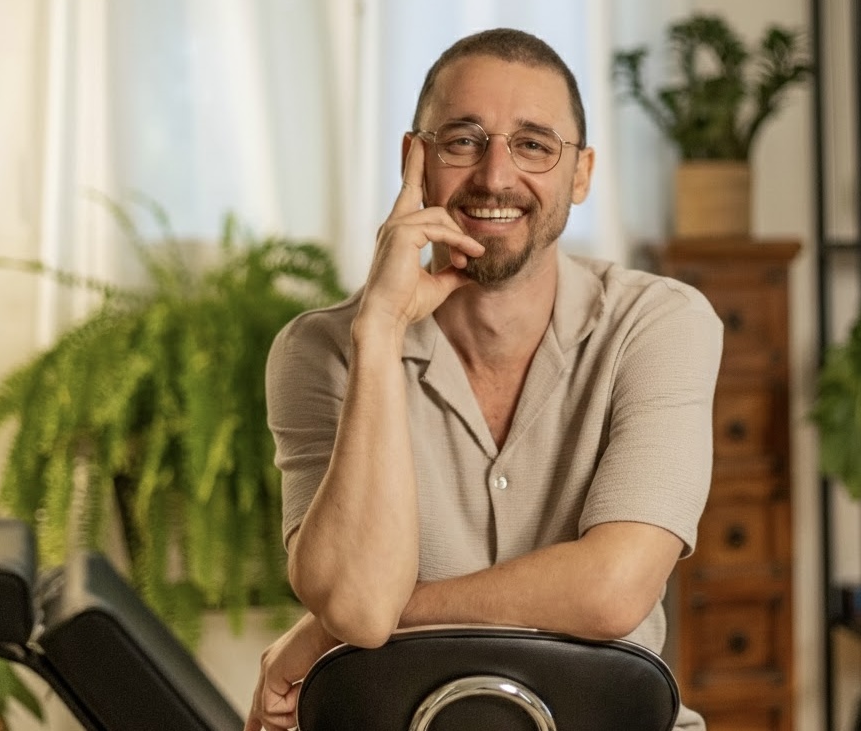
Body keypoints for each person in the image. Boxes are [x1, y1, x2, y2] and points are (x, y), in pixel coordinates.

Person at [245, 27, 722, 731]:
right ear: (414, 161)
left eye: (533, 144)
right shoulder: (320, 352)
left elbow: (614, 590)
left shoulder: (658, 323)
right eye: (463, 140)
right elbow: (358, 602)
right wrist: (379, 332)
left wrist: (331, 634)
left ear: (581, 174)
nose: (496, 177)